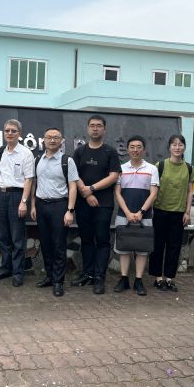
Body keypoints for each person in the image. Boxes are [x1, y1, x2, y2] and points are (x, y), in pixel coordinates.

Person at [72, 114, 121, 294]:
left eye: (99, 125)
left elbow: (113, 176)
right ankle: (88, 273)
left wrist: (91, 189)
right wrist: (86, 194)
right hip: (83, 203)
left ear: (104, 129)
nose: (95, 128)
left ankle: (100, 277)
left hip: (104, 204)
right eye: (92, 125)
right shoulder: (80, 152)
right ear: (87, 128)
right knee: (86, 239)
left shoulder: (110, 152)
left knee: (102, 240)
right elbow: (74, 175)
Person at [30, 127, 79, 297]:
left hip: (60, 206)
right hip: (41, 205)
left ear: (61, 141)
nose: (52, 140)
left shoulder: (67, 161)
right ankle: (50, 277)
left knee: (58, 245)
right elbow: (34, 184)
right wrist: (33, 206)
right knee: (45, 244)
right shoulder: (38, 160)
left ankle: (58, 281)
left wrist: (70, 211)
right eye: (49, 137)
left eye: (56, 137)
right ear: (43, 140)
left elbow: (73, 187)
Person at [149, 134, 194, 292]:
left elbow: (190, 191)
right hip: (160, 211)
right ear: (169, 147)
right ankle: (158, 278)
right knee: (158, 245)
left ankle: (169, 278)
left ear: (184, 147)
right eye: (174, 144)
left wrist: (187, 212)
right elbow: (153, 188)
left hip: (178, 213)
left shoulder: (189, 168)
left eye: (180, 144)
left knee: (174, 246)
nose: (177, 147)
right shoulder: (160, 165)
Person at [113, 136, 159, 296]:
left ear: (144, 150)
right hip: (123, 214)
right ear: (127, 150)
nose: (135, 150)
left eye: (139, 147)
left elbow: (153, 194)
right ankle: (124, 279)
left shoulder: (152, 169)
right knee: (123, 248)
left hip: (145, 216)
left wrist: (141, 212)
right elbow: (117, 193)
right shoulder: (121, 168)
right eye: (132, 147)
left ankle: (138, 280)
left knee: (142, 249)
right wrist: (127, 212)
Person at [0, 119, 35, 287]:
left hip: (17, 196)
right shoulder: (1, 150)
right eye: (7, 130)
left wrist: (24, 202)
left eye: (13, 131)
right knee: (4, 236)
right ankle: (5, 269)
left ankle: (18, 273)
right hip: (1, 195)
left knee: (17, 238)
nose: (10, 133)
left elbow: (29, 179)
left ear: (19, 134)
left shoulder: (26, 153)